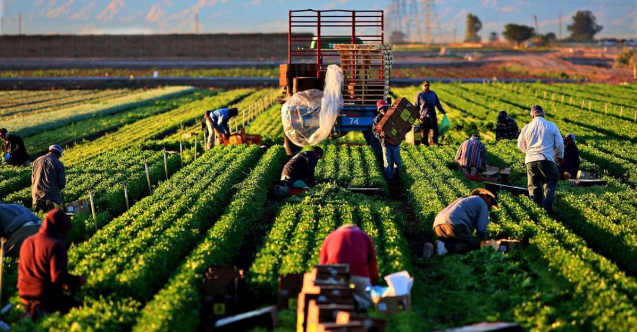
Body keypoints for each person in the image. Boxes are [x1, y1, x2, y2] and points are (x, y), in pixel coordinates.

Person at [18, 209, 87, 318]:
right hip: (44, 297)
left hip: (24, 296)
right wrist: (78, 280)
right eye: (65, 230)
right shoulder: (55, 245)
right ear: (60, 228)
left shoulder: (28, 242)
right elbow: (58, 276)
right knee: (81, 309)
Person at [319, 224, 378, 311]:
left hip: (336, 274)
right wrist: (373, 284)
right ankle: (358, 305)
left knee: (334, 297)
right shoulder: (364, 236)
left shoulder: (331, 236)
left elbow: (322, 264)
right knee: (366, 301)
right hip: (359, 273)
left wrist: (323, 283)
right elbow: (372, 263)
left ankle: (340, 306)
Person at [517, 105, 564, 214]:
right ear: (543, 114)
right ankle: (547, 206)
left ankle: (536, 208)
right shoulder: (551, 126)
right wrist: (560, 157)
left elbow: (520, 144)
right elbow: (560, 143)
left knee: (533, 184)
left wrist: (529, 153)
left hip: (530, 159)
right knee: (550, 180)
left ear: (531, 115)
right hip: (546, 157)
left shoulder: (526, 127)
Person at [432, 188, 498, 255]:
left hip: (438, 224)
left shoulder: (464, 199)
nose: (490, 205)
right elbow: (481, 229)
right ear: (485, 196)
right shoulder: (482, 203)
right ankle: (447, 249)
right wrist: (486, 240)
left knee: (456, 241)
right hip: (455, 224)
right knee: (474, 246)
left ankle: (442, 247)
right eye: (491, 202)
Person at [372, 100, 402, 185]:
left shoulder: (393, 116)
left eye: (384, 107)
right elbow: (374, 131)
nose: (383, 109)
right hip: (385, 143)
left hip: (395, 142)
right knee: (387, 163)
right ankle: (390, 179)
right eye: (381, 108)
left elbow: (400, 125)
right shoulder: (377, 119)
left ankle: (397, 176)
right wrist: (380, 134)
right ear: (379, 110)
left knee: (397, 161)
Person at [32, 145, 66, 212]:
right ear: (58, 154)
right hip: (51, 195)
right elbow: (62, 183)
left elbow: (33, 179)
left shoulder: (36, 160)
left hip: (36, 193)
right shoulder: (58, 163)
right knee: (52, 218)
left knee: (38, 218)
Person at [414, 81, 446, 146]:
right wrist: (417, 116)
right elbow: (416, 106)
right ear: (422, 86)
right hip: (423, 117)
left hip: (432, 116)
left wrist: (442, 110)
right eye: (425, 86)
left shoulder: (433, 94)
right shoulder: (419, 95)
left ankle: (434, 144)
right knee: (424, 133)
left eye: (427, 86)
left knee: (434, 132)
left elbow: (437, 103)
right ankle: (425, 145)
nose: (426, 87)